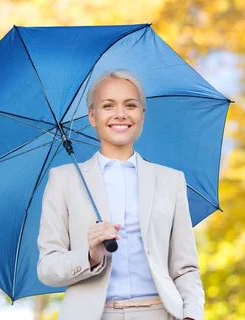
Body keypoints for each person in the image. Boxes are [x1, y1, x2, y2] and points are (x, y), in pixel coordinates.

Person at [37, 69, 204, 320]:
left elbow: (185, 268)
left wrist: (191, 314)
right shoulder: (64, 180)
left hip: (160, 312)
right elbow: (47, 268)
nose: (120, 114)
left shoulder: (171, 180)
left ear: (142, 114)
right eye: (108, 105)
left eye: (130, 105)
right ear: (92, 116)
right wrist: (90, 255)